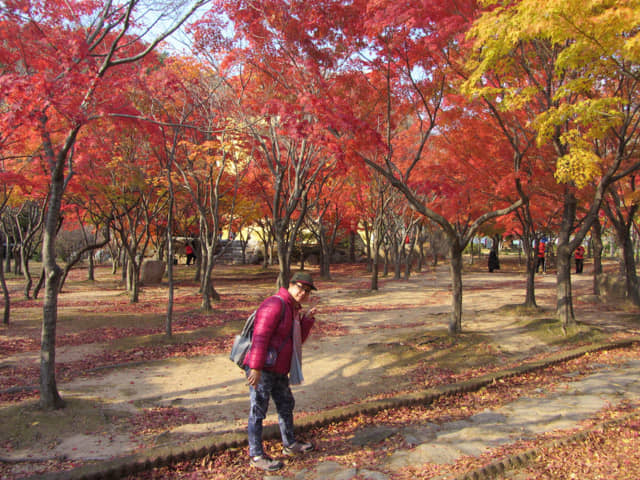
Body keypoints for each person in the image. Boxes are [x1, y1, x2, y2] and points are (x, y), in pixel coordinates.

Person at [244, 271, 318, 471]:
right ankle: (256, 454)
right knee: (258, 409)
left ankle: (290, 444)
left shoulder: (293, 309)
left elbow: (295, 342)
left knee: (286, 403)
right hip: (263, 368)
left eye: (307, 291)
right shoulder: (275, 304)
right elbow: (260, 336)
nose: (303, 293)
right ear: (290, 285)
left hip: (278, 369)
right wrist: (256, 368)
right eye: (300, 288)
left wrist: (306, 321)